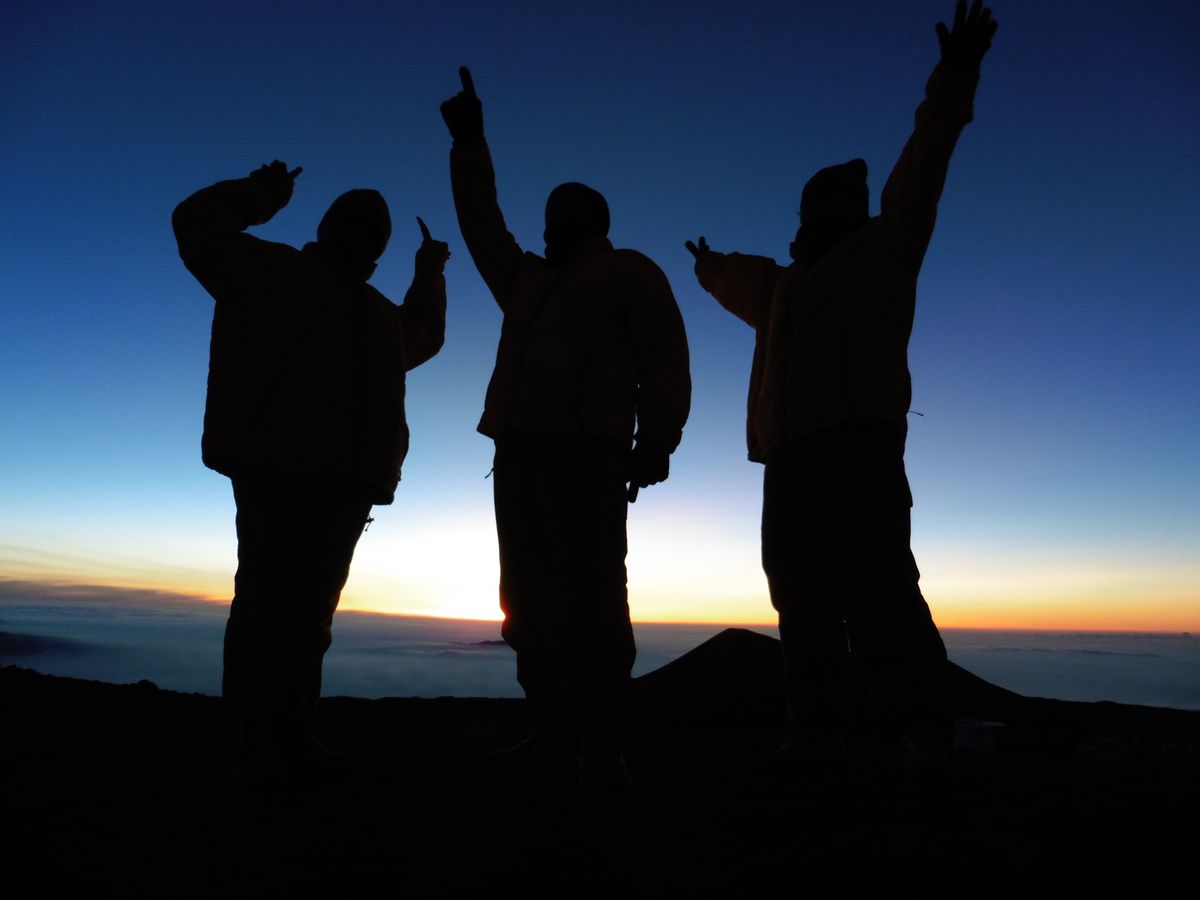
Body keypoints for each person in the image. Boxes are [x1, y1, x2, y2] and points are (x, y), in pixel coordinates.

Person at [687, 1, 998, 770]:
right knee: (800, 596)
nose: (821, 214)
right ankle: (820, 726)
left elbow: (924, 166)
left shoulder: (883, 251)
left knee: (880, 592)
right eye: (817, 205)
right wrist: (706, 264)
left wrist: (953, 80)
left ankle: (916, 731)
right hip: (787, 456)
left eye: (832, 204)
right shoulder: (781, 286)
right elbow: (734, 277)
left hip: (858, 444)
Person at [440, 68, 691, 788]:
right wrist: (469, 142)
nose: (550, 225)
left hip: (587, 456)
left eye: (563, 215)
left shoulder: (628, 273)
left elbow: (665, 359)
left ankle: (602, 743)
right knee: (525, 599)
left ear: (594, 220)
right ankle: (552, 732)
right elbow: (482, 223)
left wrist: (657, 440)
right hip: (519, 452)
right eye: (548, 214)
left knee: (594, 600)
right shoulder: (527, 280)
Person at [172, 161, 448, 781]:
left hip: (342, 480)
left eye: (373, 232)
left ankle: (289, 735)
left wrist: (430, 272)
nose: (365, 238)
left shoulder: (376, 313)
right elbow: (194, 224)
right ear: (329, 229)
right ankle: (255, 740)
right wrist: (263, 193)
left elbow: (423, 335)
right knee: (269, 606)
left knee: (306, 615)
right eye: (357, 226)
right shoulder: (267, 271)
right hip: (282, 468)